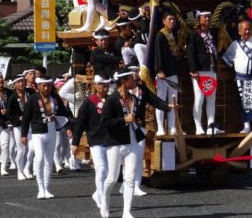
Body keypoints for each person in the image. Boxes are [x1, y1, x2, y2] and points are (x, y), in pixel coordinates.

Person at [100, 66, 171, 218]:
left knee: (130, 178)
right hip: (115, 142)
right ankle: (104, 201)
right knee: (112, 178)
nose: (135, 79)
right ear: (124, 81)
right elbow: (104, 122)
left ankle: (127, 212)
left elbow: (152, 102)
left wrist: (167, 107)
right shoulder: (111, 100)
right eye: (131, 78)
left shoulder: (134, 98)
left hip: (132, 140)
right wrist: (123, 120)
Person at [21, 75, 69, 199]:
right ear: (39, 86)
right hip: (37, 132)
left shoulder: (55, 98)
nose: (47, 88)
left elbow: (64, 113)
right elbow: (26, 118)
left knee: (49, 160)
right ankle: (40, 188)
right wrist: (24, 134)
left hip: (52, 130)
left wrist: (68, 128)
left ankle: (46, 188)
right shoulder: (32, 99)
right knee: (39, 158)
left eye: (49, 85)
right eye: (44, 85)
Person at [72, 74, 111, 209]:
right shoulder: (88, 103)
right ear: (96, 86)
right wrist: (75, 143)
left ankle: (97, 193)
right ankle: (102, 199)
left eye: (107, 85)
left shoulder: (111, 101)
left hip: (110, 140)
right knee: (101, 169)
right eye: (102, 85)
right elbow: (79, 124)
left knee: (110, 173)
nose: (105, 88)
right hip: (95, 140)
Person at [187, 10, 223, 135]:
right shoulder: (194, 34)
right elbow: (190, 53)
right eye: (204, 17)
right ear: (199, 19)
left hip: (212, 70)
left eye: (209, 17)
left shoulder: (212, 33)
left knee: (211, 99)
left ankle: (210, 125)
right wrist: (193, 70)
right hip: (200, 72)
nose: (207, 19)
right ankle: (198, 126)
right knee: (199, 99)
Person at [154, 10, 180, 136]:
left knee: (173, 101)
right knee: (161, 101)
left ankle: (172, 127)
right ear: (164, 21)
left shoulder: (173, 34)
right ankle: (160, 128)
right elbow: (158, 53)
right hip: (162, 74)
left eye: (174, 19)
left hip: (173, 73)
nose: (172, 21)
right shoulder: (160, 35)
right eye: (169, 19)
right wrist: (159, 70)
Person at [7, 74, 33, 181]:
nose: (21, 83)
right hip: (19, 126)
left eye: (22, 81)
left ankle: (27, 167)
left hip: (31, 125)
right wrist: (19, 118)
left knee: (32, 148)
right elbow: (10, 113)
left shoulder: (31, 93)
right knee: (21, 150)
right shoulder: (12, 97)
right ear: (15, 84)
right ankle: (19, 171)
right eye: (18, 82)